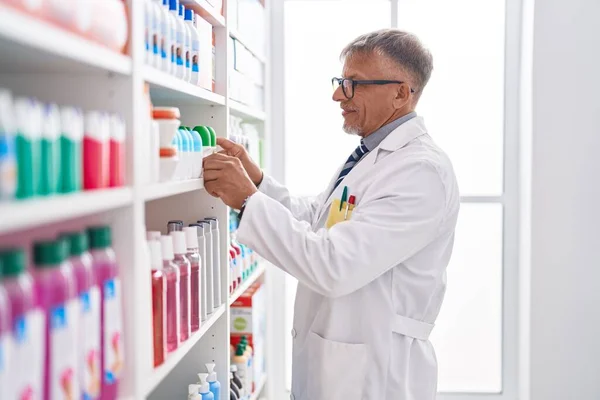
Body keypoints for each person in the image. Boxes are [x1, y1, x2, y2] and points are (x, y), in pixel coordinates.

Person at [204, 29, 459, 400]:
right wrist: (257, 184)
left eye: (354, 84)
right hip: (341, 365)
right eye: (341, 81)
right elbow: (320, 219)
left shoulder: (421, 172)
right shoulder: (373, 155)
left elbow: (334, 265)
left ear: (402, 92)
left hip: (376, 376)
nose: (338, 95)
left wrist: (247, 201)